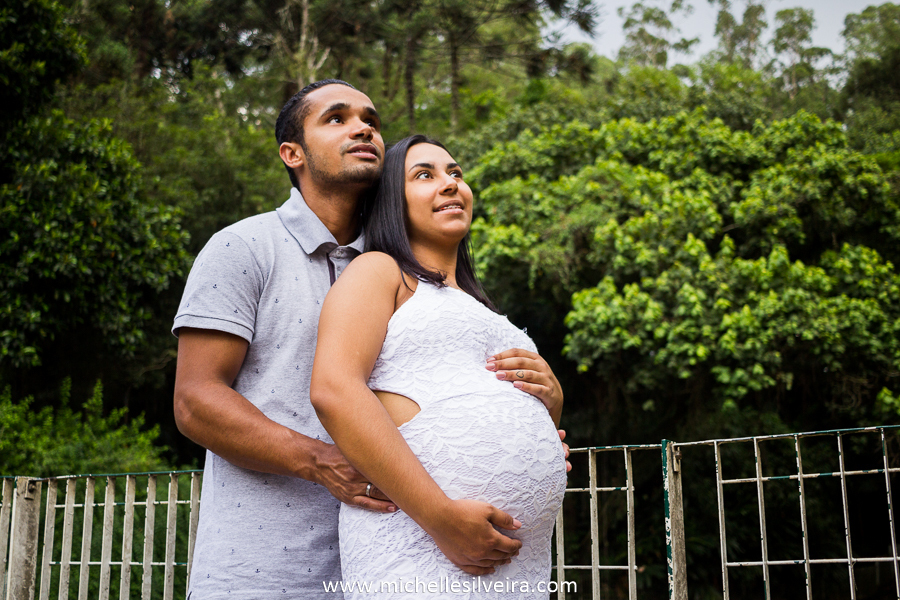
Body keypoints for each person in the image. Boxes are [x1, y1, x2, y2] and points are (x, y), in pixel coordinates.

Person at [172, 80, 567, 598]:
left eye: (372, 120)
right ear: (292, 153)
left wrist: (530, 426)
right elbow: (195, 402)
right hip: (267, 566)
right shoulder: (244, 247)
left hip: (404, 551)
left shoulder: (411, 270)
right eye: (336, 119)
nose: (363, 127)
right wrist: (323, 461)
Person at [311, 135, 568, 598]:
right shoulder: (379, 271)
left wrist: (550, 410)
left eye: (455, 173)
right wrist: (441, 519)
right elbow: (334, 389)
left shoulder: (483, 308)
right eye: (425, 175)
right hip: (420, 540)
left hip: (516, 562)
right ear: (392, 200)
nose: (450, 184)